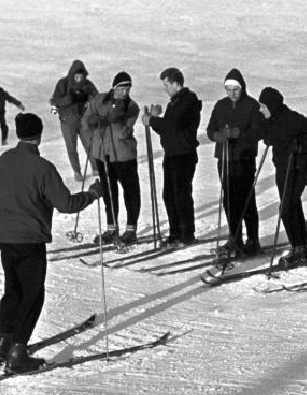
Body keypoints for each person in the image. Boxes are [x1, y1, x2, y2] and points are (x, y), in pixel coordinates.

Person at [0, 112, 103, 374]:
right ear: (39, 136)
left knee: (13, 291)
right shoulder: (42, 167)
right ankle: (18, 353)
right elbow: (66, 204)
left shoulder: (3, 160)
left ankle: (4, 343)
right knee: (32, 295)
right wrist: (92, 194)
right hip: (29, 239)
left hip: (5, 236)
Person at [256, 86, 307, 268]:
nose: (261, 110)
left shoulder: (292, 119)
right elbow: (265, 131)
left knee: (287, 207)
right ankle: (301, 249)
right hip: (282, 167)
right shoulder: (269, 118)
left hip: (298, 168)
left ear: (272, 106)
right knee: (292, 206)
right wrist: (268, 137)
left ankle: (298, 248)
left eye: (263, 106)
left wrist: (302, 145)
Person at [142, 67, 203, 249]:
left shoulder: (188, 101)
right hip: (172, 154)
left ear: (176, 84)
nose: (166, 89)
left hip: (184, 155)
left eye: (167, 85)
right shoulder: (175, 103)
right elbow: (168, 130)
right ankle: (175, 233)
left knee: (181, 195)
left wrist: (152, 120)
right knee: (169, 196)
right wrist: (153, 120)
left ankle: (187, 234)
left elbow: (174, 125)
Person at [206, 68, 263, 258]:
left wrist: (238, 134)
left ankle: (253, 239)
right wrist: (217, 136)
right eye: (228, 90)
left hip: (244, 158)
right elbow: (210, 129)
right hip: (224, 158)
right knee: (229, 200)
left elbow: (257, 132)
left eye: (235, 89)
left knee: (246, 199)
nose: (232, 93)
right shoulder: (221, 105)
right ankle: (234, 238)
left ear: (242, 88)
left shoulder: (251, 105)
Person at [84, 71, 142, 245]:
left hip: (124, 156)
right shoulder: (99, 100)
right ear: (114, 87)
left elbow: (123, 133)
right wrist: (95, 120)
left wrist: (114, 120)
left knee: (130, 192)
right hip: (103, 154)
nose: (125, 92)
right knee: (109, 193)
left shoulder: (132, 106)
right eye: (122, 88)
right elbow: (86, 120)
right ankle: (112, 228)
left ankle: (131, 229)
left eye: (128, 89)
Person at [49, 59, 98, 181]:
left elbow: (97, 99)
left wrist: (88, 99)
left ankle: (96, 167)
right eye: (77, 76)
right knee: (71, 147)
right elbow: (55, 100)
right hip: (67, 122)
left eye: (81, 77)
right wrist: (69, 99)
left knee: (90, 144)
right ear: (72, 75)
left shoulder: (88, 85)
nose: (79, 79)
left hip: (84, 120)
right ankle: (77, 171)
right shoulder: (63, 84)